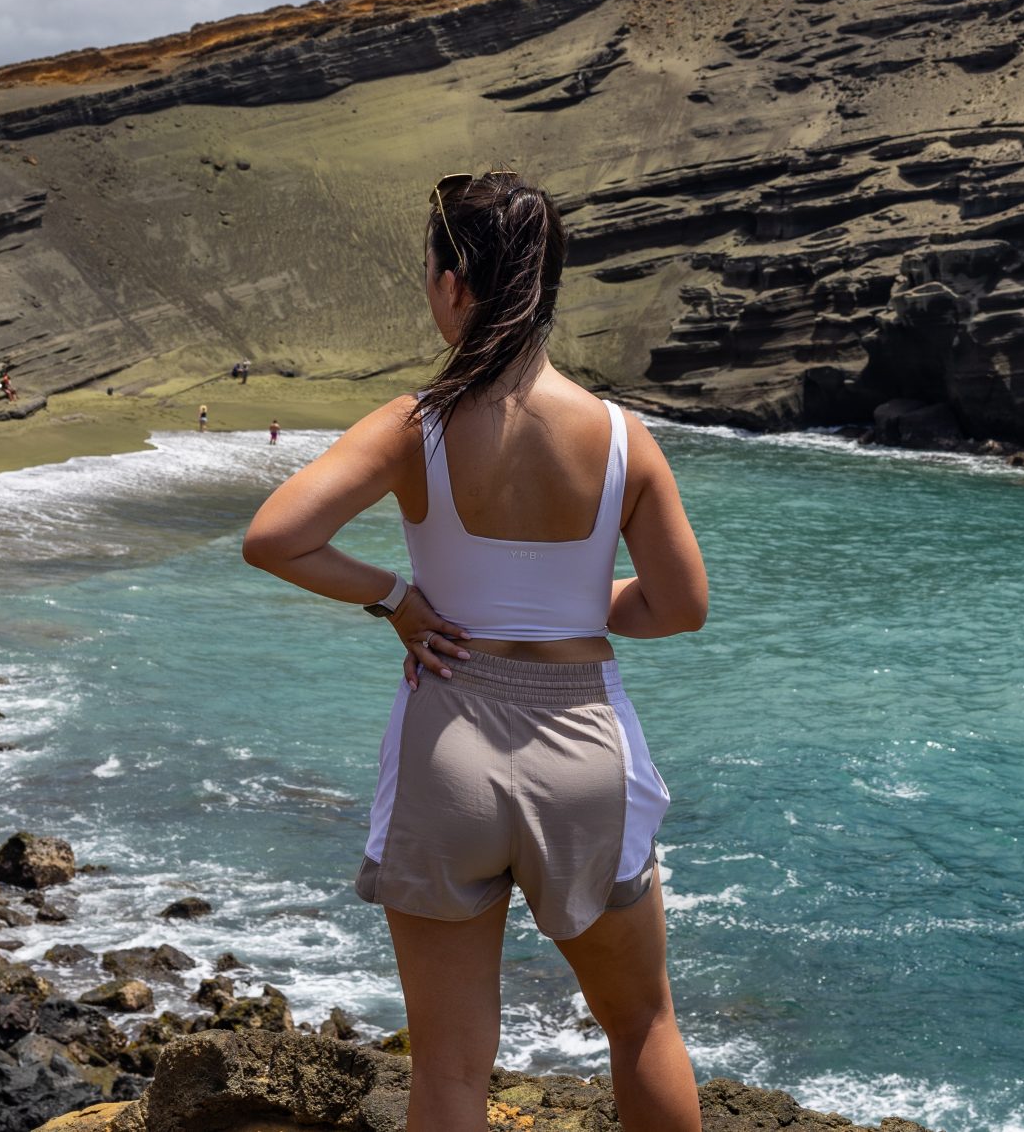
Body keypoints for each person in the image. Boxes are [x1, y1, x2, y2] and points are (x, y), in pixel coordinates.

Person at [242, 172, 709, 1132]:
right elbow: (680, 606)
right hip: (583, 742)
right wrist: (580, 603)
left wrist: (401, 599)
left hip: (447, 732)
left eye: (430, 269)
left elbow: (276, 537)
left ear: (457, 284)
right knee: (642, 1025)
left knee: (450, 1070)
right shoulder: (624, 437)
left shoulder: (416, 424)